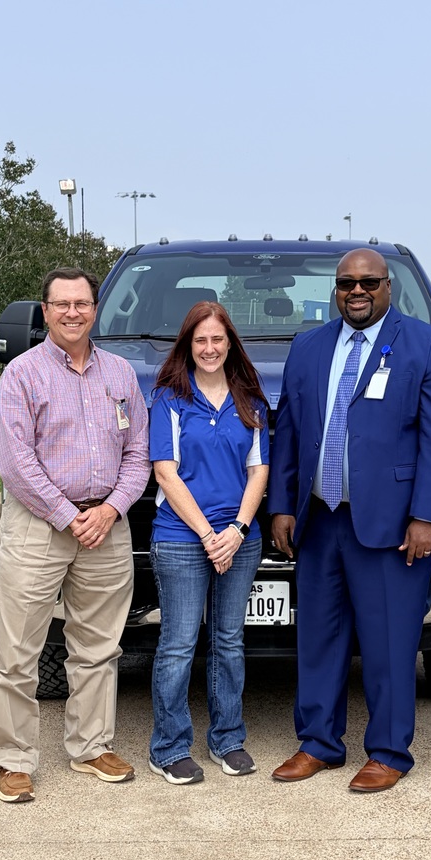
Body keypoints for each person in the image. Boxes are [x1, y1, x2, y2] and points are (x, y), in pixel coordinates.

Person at [268, 248, 431, 792]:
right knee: (319, 638)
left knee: (388, 643)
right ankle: (318, 744)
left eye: (368, 282)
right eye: (347, 283)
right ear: (336, 289)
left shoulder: (427, 345)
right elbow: (287, 431)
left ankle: (389, 751)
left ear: (388, 287)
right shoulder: (308, 346)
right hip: (320, 519)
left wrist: (428, 515)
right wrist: (283, 505)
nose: (357, 291)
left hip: (393, 524)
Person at [0, 268, 151, 803]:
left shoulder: (121, 374)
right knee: (18, 650)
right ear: (46, 311)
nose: (73, 312)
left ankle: (91, 746)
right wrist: (66, 513)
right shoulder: (22, 374)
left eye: (82, 303)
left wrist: (111, 509)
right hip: (39, 526)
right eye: (62, 304)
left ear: (95, 309)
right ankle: (10, 758)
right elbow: (15, 460)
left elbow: (139, 452)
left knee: (99, 647)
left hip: (107, 527)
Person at [148, 301, 269, 785]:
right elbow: (165, 472)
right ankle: (169, 747)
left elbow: (258, 471)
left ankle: (228, 739)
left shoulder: (250, 401)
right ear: (188, 345)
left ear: (230, 344)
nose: (210, 348)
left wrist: (236, 531)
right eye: (200, 340)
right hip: (182, 538)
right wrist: (207, 535)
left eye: (218, 339)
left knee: (228, 642)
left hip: (239, 538)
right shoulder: (170, 399)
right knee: (178, 644)